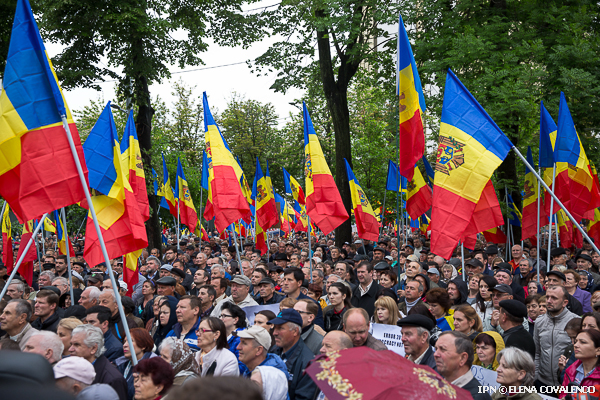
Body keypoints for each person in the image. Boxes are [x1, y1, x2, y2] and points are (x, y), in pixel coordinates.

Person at [534, 286, 578, 387]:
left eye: (554, 298)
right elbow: (537, 352)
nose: (549, 301)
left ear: (564, 303)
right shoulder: (539, 321)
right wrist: (535, 378)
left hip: (566, 382)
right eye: (547, 297)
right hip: (542, 382)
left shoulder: (575, 321)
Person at [69, 324, 128, 400]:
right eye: (71, 344)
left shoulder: (113, 379)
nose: (70, 349)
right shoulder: (73, 369)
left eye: (77, 345)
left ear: (93, 348)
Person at [269, 309, 318, 400]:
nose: (275, 333)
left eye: (280, 328)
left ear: (295, 331)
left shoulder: (308, 364)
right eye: (274, 328)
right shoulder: (273, 350)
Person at [434, 331, 492, 400]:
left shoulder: (475, 397)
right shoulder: (436, 387)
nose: (435, 354)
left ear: (463, 358)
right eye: (436, 349)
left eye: (443, 349)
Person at [117, 328, 157, 400]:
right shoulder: (121, 364)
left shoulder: (151, 368)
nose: (124, 345)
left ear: (143, 346)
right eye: (124, 341)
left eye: (130, 341)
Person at [561, 329, 600, 398]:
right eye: (576, 341)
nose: (576, 345)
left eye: (583, 342)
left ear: (598, 350)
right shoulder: (570, 370)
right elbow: (563, 394)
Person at [219, 301, 249, 375]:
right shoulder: (220, 335)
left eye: (224, 316)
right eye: (220, 316)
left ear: (235, 320)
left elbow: (242, 367)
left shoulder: (241, 338)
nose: (220, 319)